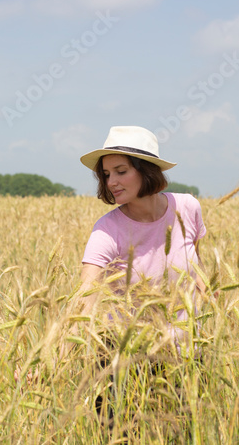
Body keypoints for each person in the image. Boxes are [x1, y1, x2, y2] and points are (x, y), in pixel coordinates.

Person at [78, 125, 207, 347]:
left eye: (121, 171)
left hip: (189, 359)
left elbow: (199, 273)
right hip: (129, 362)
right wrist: (48, 362)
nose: (110, 182)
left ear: (146, 170)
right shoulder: (106, 230)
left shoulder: (187, 207)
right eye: (107, 174)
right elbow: (83, 302)